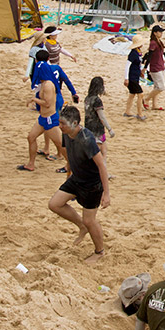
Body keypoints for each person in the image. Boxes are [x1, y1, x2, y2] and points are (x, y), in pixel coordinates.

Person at [48, 105, 110, 263]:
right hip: (76, 179)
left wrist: (106, 193)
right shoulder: (66, 133)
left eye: (63, 123)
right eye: (60, 122)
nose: (59, 126)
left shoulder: (86, 138)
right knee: (55, 204)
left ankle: (99, 251)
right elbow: (68, 153)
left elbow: (102, 165)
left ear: (75, 123)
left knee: (90, 220)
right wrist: (69, 173)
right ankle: (81, 226)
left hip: (92, 184)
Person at [83, 76, 115, 156]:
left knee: (102, 150)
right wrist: (109, 129)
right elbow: (102, 117)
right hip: (97, 129)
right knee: (99, 153)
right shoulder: (97, 100)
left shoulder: (87, 98)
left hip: (88, 127)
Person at [143, 26, 165, 112]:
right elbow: (149, 56)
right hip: (155, 67)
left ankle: (155, 105)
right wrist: (145, 67)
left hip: (160, 66)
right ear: (155, 33)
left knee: (157, 86)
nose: (161, 33)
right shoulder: (153, 43)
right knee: (161, 87)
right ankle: (146, 99)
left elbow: (160, 54)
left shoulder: (158, 41)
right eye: (159, 32)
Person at [123, 34, 146, 120]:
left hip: (135, 76)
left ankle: (127, 111)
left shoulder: (138, 52)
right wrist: (126, 78)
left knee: (132, 94)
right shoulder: (133, 53)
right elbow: (127, 66)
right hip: (131, 77)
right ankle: (139, 114)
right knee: (140, 94)